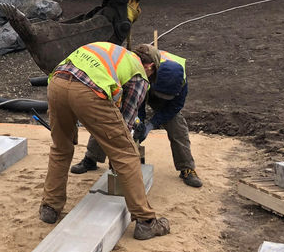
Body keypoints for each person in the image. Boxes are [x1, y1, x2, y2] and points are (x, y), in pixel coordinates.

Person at [40, 41, 171, 240]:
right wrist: (119, 149)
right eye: (152, 74)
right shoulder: (139, 74)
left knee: (61, 148)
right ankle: (146, 222)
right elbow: (126, 121)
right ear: (150, 66)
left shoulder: (114, 53)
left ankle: (50, 207)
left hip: (57, 83)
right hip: (87, 91)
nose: (149, 78)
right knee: (127, 153)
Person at [69, 44, 202, 188]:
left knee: (178, 127)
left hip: (160, 95)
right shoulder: (144, 69)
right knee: (112, 118)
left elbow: (174, 107)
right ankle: (91, 158)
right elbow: (137, 102)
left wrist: (151, 125)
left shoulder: (180, 79)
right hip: (142, 86)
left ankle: (187, 167)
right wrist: (138, 121)